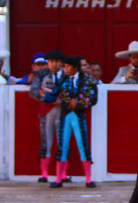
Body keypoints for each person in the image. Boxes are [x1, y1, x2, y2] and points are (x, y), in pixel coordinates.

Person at [42, 55, 100, 188]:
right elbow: (54, 94)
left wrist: (79, 103)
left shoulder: (87, 80)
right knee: (62, 146)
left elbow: (93, 98)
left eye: (67, 66)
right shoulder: (64, 79)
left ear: (75, 68)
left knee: (83, 145)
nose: (65, 68)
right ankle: (58, 179)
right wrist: (45, 96)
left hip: (78, 116)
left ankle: (88, 179)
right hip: (65, 116)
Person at [30, 49, 64, 183]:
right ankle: (44, 174)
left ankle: (63, 174)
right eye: (51, 61)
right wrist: (48, 99)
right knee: (46, 141)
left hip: (63, 111)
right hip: (46, 110)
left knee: (63, 142)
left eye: (57, 61)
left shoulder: (67, 75)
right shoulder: (41, 74)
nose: (54, 64)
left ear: (62, 63)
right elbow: (34, 92)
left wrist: (62, 99)